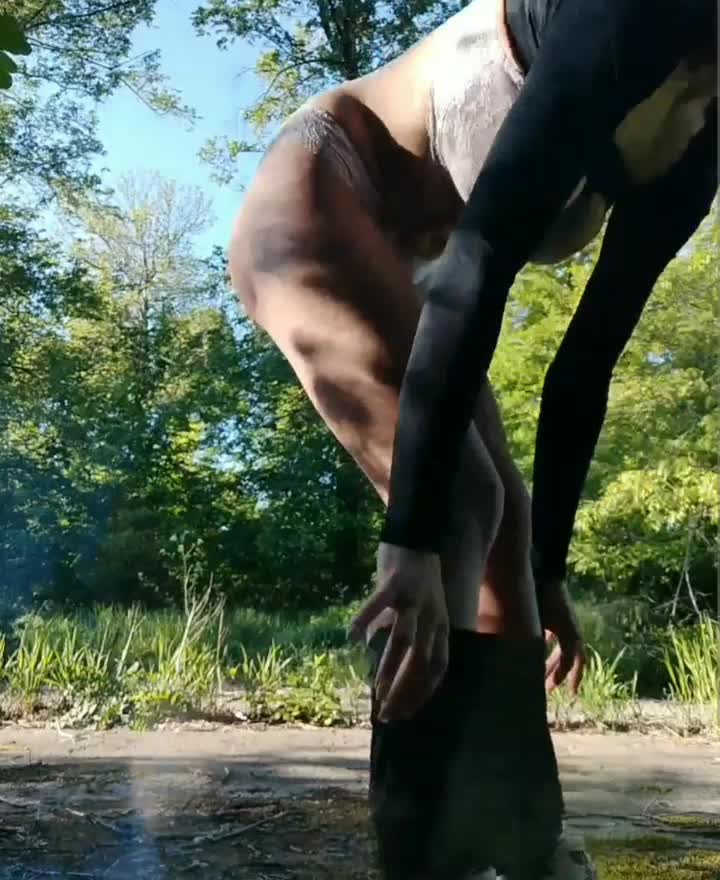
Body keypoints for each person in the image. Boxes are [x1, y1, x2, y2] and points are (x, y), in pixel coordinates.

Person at [229, 0, 717, 875]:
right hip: (326, 185)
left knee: (509, 529)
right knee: (458, 502)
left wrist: (550, 570)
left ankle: (523, 836)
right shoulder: (624, 18)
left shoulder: (701, 143)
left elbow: (586, 363)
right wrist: (407, 538)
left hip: (425, 260)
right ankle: (422, 852)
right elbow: (476, 270)